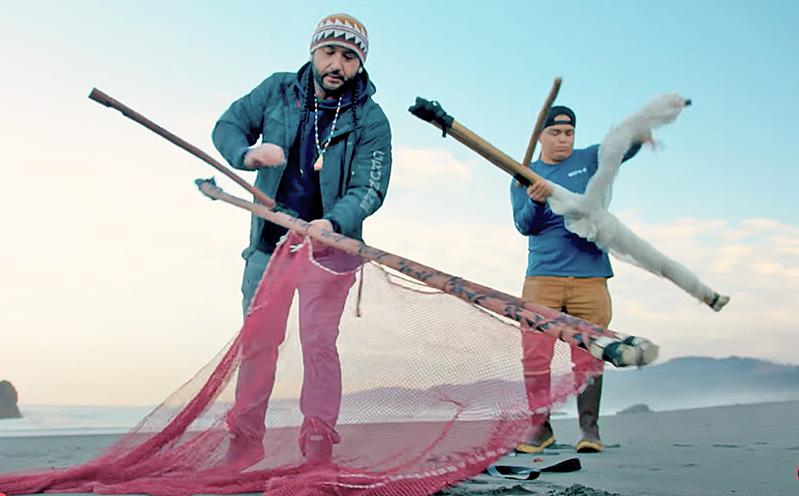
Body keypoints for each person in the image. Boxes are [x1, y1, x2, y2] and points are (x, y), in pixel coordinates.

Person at [211, 13, 392, 465]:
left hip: (329, 250)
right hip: (269, 245)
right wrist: (247, 155)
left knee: (318, 343)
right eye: (329, 52)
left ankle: (317, 442)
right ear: (314, 52)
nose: (337, 64)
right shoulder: (277, 90)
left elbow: (370, 189)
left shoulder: (372, 119)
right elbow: (227, 127)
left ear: (360, 63)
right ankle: (245, 441)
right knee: (258, 341)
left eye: (348, 56)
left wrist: (333, 222)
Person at [510, 106, 645, 454]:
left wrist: (640, 133)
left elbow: (623, 148)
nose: (563, 140)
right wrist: (535, 202)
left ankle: (590, 430)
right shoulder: (523, 174)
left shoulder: (588, 159)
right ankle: (540, 430)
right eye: (555, 133)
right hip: (543, 276)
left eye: (568, 133)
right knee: (535, 356)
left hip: (591, 277)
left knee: (589, 356)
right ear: (540, 136)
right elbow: (525, 225)